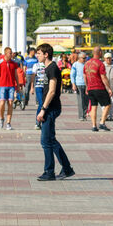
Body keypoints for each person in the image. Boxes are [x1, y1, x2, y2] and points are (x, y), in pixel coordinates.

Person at [35, 43, 74, 181]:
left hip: (51, 108)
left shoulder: (52, 68)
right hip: (50, 107)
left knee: (45, 141)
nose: (37, 55)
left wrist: (43, 110)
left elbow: (52, 91)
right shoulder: (48, 68)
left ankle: (49, 172)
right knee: (50, 140)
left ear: (46, 54)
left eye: (39, 53)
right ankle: (67, 168)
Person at [84, 46, 111, 132]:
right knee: (108, 104)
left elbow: (85, 76)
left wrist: (87, 87)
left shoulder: (87, 63)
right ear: (99, 53)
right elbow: (103, 77)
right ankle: (102, 123)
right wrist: (109, 88)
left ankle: (94, 126)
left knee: (93, 106)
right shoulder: (100, 64)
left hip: (90, 88)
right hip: (99, 87)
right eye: (101, 52)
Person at [0, 47, 22, 130]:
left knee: (10, 103)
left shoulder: (14, 63)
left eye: (12, 53)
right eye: (10, 53)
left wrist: (17, 85)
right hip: (2, 85)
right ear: (6, 53)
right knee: (2, 103)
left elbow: (16, 75)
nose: (12, 54)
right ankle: (1, 118)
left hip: (11, 86)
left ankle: (8, 123)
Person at [70, 50, 88, 120]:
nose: (84, 59)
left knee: (86, 100)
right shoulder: (75, 64)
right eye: (83, 58)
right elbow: (72, 75)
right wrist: (73, 84)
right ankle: (81, 116)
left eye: (85, 58)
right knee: (80, 101)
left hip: (86, 84)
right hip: (79, 84)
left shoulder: (87, 64)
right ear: (79, 58)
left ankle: (85, 114)